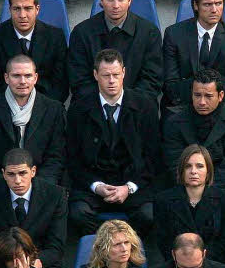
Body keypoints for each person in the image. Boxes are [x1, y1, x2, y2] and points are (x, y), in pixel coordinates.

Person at [66, 49, 159, 237]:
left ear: (124, 73)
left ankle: (127, 250)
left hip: (133, 185)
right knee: (77, 214)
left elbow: (153, 157)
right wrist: (96, 186)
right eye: (105, 75)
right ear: (95, 75)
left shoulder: (145, 107)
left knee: (149, 215)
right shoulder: (79, 109)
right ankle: (103, 252)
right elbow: (73, 159)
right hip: (93, 186)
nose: (111, 81)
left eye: (116, 75)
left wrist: (129, 187)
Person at [0, 55, 67, 189]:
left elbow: (56, 157)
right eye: (16, 76)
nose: (22, 81)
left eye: (28, 76)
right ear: (6, 78)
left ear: (36, 78)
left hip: (42, 187)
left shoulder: (54, 110)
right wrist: (6, 185)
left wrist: (37, 188)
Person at [67, 0, 161, 103]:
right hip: (92, 106)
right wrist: (104, 103)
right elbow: (78, 79)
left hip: (137, 107)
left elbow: (152, 79)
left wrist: (124, 102)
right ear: (101, 1)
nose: (116, 5)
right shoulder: (81, 32)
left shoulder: (149, 33)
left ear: (130, 0)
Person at [0, 148, 67, 268]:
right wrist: (10, 263)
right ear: (3, 173)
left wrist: (35, 263)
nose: (17, 181)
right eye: (11, 174)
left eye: (22, 173)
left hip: (40, 262)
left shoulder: (55, 195)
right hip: (1, 263)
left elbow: (56, 244)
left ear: (33, 171)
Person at [161, 69, 225, 200]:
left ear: (220, 96)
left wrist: (206, 191)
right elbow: (174, 162)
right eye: (197, 95)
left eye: (208, 96)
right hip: (184, 186)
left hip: (222, 188)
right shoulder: (174, 122)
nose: (202, 102)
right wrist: (193, 188)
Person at [161, 0, 225, 112]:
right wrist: (200, 99)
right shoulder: (174, 34)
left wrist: (209, 101)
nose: (214, 10)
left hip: (222, 106)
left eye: (218, 3)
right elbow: (170, 85)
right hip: (182, 106)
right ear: (196, 5)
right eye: (207, 4)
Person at [0, 0, 69, 103]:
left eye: (28, 8)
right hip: (3, 107)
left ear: (37, 9)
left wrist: (40, 109)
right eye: (16, 9)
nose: (22, 15)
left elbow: (60, 85)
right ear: (10, 10)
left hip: (46, 107)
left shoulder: (55, 37)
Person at [154, 146, 225, 266]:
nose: (193, 171)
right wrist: (184, 261)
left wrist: (199, 261)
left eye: (199, 166)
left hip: (214, 266)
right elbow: (164, 242)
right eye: (188, 166)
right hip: (176, 266)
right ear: (181, 171)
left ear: (208, 171)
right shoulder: (163, 201)